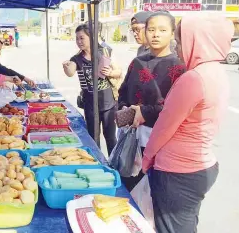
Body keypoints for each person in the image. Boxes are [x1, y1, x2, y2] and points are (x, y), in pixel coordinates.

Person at [142, 15, 233, 233]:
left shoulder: (193, 78)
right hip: (200, 165)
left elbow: (165, 126)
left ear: (198, 41)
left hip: (178, 172)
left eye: (181, 42)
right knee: (186, 225)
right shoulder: (217, 72)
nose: (179, 48)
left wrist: (146, 158)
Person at [117, 12, 186, 191]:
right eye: (152, 29)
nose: (156, 34)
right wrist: (125, 109)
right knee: (128, 186)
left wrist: (144, 112)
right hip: (130, 134)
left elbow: (175, 107)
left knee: (152, 192)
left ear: (172, 33)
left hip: (158, 139)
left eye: (162, 30)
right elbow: (123, 90)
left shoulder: (179, 67)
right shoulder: (137, 62)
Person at [63, 24, 122, 155]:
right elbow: (70, 72)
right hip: (90, 106)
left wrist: (111, 72)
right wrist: (66, 67)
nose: (79, 42)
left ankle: (114, 163)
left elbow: (119, 71)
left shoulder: (105, 52)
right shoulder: (76, 59)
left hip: (109, 104)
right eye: (77, 38)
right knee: (93, 138)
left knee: (111, 137)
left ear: (91, 37)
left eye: (82, 38)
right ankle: (98, 161)